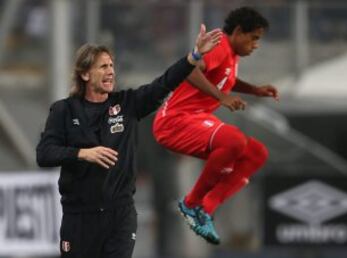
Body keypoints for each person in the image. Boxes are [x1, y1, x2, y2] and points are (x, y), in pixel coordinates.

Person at [36, 24, 222, 258]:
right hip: (79, 218)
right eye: (103, 66)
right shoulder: (64, 110)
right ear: (85, 74)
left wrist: (194, 57)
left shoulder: (127, 104)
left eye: (112, 66)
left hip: (120, 216)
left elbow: (163, 83)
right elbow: (44, 154)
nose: (111, 71)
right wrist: (82, 153)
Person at [153, 7, 280, 245]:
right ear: (239, 31)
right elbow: (190, 71)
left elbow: (224, 78)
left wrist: (255, 90)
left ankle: (206, 208)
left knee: (256, 154)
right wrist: (222, 98)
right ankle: (191, 204)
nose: (256, 45)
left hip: (194, 118)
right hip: (175, 121)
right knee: (233, 140)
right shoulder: (220, 46)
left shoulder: (232, 54)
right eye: (254, 38)